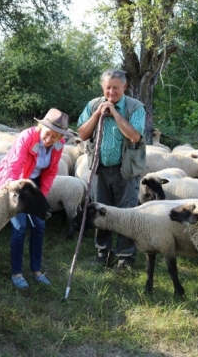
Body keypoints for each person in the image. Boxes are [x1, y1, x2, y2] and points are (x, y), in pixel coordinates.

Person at [0, 108, 73, 289]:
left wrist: (40, 197)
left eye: (55, 137)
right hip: (16, 180)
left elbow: (51, 172)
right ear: (40, 127)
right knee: (20, 227)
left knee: (39, 224)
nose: (49, 139)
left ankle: (36, 270)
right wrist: (12, 193)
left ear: (60, 138)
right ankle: (17, 273)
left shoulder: (59, 146)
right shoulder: (26, 137)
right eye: (48, 134)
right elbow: (14, 165)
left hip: (35, 183)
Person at [77, 68, 146, 270]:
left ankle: (125, 257)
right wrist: (98, 113)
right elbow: (82, 133)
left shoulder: (135, 108)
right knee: (100, 211)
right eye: (108, 88)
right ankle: (103, 253)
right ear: (102, 87)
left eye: (116, 88)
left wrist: (115, 113)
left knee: (126, 213)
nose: (111, 92)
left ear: (124, 87)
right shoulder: (92, 105)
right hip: (99, 168)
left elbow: (134, 136)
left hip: (125, 170)